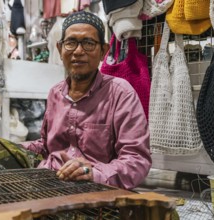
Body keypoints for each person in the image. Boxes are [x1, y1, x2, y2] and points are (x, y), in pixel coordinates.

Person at [21, 10, 152, 190]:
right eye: (71, 43)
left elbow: (136, 160)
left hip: (97, 192)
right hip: (50, 185)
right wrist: (15, 148)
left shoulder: (120, 93)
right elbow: (45, 146)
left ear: (103, 52)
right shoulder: (55, 94)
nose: (78, 51)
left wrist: (94, 173)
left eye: (89, 43)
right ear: (60, 49)